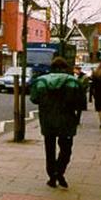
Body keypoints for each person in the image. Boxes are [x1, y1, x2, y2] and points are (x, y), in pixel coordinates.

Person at [30, 56, 85, 189]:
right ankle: (59, 172)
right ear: (65, 68)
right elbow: (81, 103)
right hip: (67, 121)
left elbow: (34, 99)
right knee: (66, 150)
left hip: (47, 120)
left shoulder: (41, 81)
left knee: (50, 149)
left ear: (52, 67)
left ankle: (52, 177)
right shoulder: (73, 82)